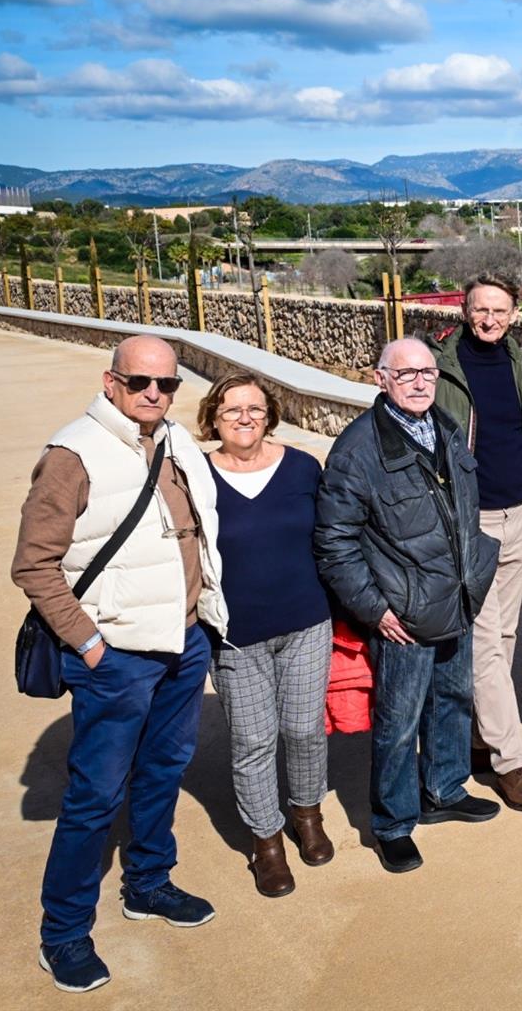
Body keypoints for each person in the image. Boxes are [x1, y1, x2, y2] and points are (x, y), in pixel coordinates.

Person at [13, 336, 229, 993]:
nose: (156, 395)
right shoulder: (71, 454)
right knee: (94, 798)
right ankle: (65, 933)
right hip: (116, 657)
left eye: (167, 385)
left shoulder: (175, 442)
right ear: (112, 382)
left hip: (183, 642)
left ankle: (149, 884)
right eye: (141, 383)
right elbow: (33, 565)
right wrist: (91, 645)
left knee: (162, 771)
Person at [315, 338, 503, 876]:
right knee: (398, 720)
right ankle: (393, 823)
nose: (420, 382)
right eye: (406, 374)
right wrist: (375, 609)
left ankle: (444, 789)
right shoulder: (358, 450)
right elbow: (335, 542)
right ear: (380, 379)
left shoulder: (445, 426)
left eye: (427, 372)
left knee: (453, 698)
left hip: (457, 596)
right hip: (403, 613)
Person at [198, 372, 333, 898]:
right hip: (236, 633)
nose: (245, 418)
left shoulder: (302, 467)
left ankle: (307, 814)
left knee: (303, 730)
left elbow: (330, 534)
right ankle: (267, 843)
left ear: (270, 415)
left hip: (305, 621)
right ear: (213, 418)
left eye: (254, 408)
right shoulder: (195, 475)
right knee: (253, 740)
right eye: (231, 410)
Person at [431, 274, 522, 814]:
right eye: (481, 309)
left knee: (505, 629)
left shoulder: (520, 363)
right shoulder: (441, 366)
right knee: (482, 642)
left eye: (499, 311)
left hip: (516, 509)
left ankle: (482, 737)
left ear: (515, 312)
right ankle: (508, 757)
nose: (489, 319)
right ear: (464, 307)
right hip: (470, 518)